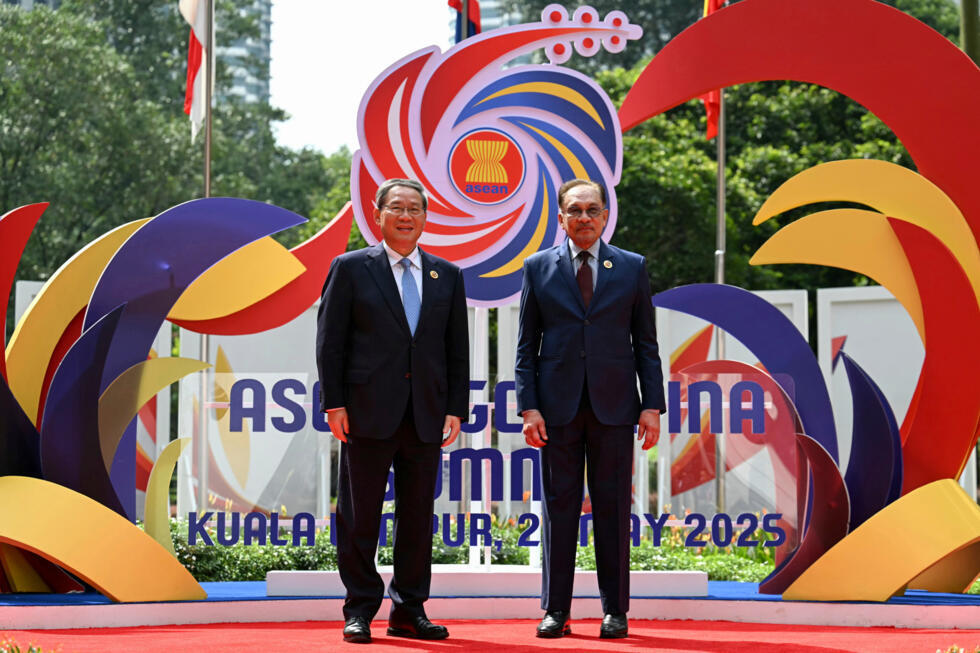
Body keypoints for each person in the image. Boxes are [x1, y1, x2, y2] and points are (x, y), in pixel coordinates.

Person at [316, 178, 470, 644]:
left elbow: (455, 349)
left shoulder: (447, 275)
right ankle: (359, 608)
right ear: (378, 214)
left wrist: (454, 408)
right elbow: (330, 342)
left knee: (418, 516)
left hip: (425, 415)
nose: (407, 216)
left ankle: (409, 608)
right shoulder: (350, 268)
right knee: (360, 515)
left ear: (426, 217)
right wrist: (335, 402)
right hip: (365, 412)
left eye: (415, 209)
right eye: (397, 208)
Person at [515, 178, 666, 640]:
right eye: (575, 210)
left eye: (593, 210)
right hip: (556, 410)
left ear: (605, 216)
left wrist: (652, 406)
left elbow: (645, 343)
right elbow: (525, 346)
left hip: (615, 408)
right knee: (558, 510)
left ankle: (614, 611)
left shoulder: (631, 267)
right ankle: (554, 612)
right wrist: (529, 409)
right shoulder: (537, 267)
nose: (584, 217)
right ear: (560, 217)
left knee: (613, 510)